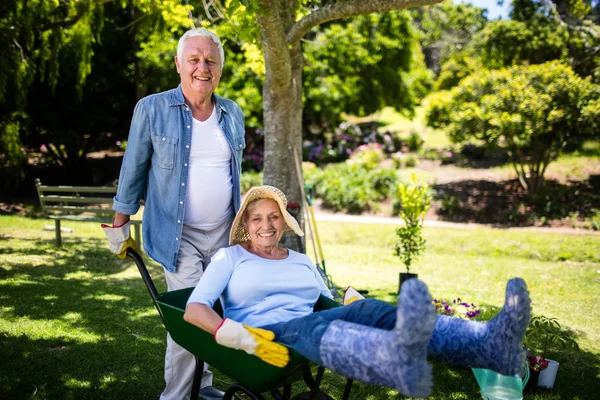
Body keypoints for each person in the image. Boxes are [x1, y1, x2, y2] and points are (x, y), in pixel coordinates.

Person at [183, 185, 532, 399]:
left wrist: (350, 301)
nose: (266, 225)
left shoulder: (302, 261)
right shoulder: (230, 257)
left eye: (273, 217)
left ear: (283, 223)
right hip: (265, 338)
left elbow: (329, 303)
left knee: (370, 311)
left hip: (309, 328)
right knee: (325, 325)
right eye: (257, 218)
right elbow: (194, 309)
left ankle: (485, 341)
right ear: (245, 225)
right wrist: (240, 337)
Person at [102, 28, 246, 400]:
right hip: (175, 235)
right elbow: (133, 169)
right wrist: (119, 226)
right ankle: (178, 397)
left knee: (215, 311)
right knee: (191, 316)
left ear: (220, 69)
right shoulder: (152, 109)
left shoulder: (232, 112)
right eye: (194, 59)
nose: (203, 67)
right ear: (178, 64)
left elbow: (234, 176)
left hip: (224, 235)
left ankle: (203, 387)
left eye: (210, 60)